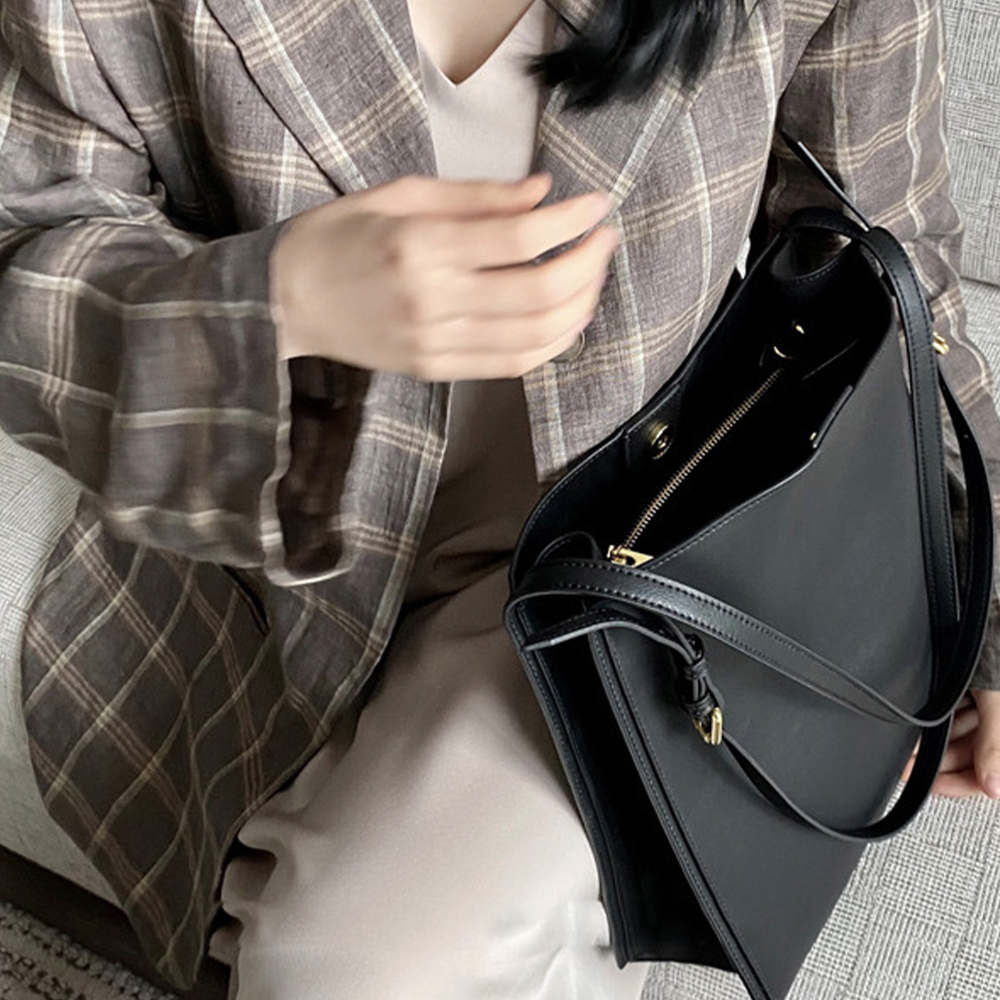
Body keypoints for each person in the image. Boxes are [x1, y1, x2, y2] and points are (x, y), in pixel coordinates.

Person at [0, 0, 998, 997]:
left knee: (343, 969)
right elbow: (30, 258)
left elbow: (895, 268)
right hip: (263, 561)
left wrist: (986, 615)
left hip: (621, 560)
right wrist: (281, 301)